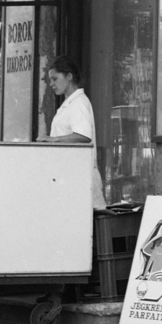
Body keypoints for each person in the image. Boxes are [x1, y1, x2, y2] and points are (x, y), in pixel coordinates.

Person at [45, 57, 106, 211]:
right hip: (69, 175)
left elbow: (84, 136)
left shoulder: (78, 103)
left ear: (69, 76)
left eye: (55, 78)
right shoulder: (69, 103)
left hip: (79, 176)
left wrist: (54, 140)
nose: (51, 84)